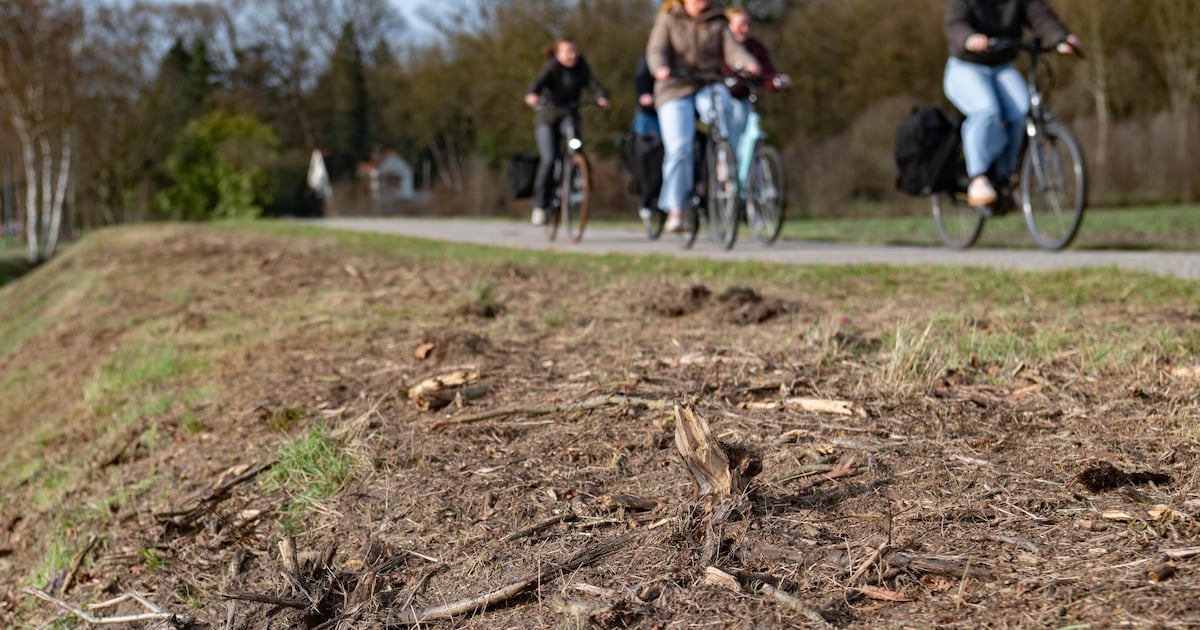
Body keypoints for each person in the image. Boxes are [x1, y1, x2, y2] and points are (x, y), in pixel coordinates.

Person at [943, 0, 1079, 208]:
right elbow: (955, 22)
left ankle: (1006, 177)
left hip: (1001, 66)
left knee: (1022, 109)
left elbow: (1041, 17)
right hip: (966, 66)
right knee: (987, 109)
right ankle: (978, 178)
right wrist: (969, 38)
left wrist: (1060, 39)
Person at [646, 0, 759, 233]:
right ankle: (676, 209)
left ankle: (722, 156)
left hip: (708, 83)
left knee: (724, 105)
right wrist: (660, 68)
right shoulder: (669, 19)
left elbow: (734, 50)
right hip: (674, 87)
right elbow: (656, 50)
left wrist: (747, 64)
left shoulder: (718, 21)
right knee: (680, 147)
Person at [524, 37, 610, 226]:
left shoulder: (582, 68)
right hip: (547, 119)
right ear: (558, 54)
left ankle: (578, 175)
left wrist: (601, 97)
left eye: (575, 51)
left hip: (569, 115)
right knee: (549, 158)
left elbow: (593, 85)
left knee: (576, 144)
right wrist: (532, 95)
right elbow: (537, 83)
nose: (573, 55)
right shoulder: (551, 68)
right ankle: (540, 205)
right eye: (568, 52)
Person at [724, 6, 789, 194]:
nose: (745, 29)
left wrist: (777, 81)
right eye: (740, 25)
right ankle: (726, 170)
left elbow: (767, 72)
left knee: (753, 139)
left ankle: (755, 192)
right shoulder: (721, 46)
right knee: (733, 141)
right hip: (727, 100)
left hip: (747, 98)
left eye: (747, 24)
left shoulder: (755, 47)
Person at [629, 56, 663, 222]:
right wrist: (645, 94)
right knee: (650, 156)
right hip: (650, 117)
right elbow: (641, 78)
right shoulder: (648, 58)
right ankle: (647, 198)